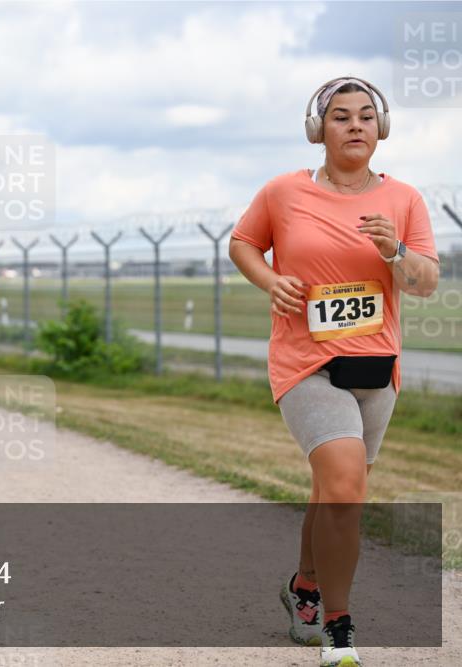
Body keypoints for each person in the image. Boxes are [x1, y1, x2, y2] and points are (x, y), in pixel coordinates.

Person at [229, 77, 439, 666]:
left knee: (334, 493)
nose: (355, 126)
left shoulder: (405, 199)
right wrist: (271, 281)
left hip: (376, 364)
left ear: (382, 128)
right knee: (345, 487)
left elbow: (425, 284)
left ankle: (304, 587)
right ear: (317, 130)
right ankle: (338, 630)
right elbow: (243, 243)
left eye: (366, 116)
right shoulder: (283, 192)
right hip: (306, 361)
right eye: (341, 116)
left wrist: (396, 251)